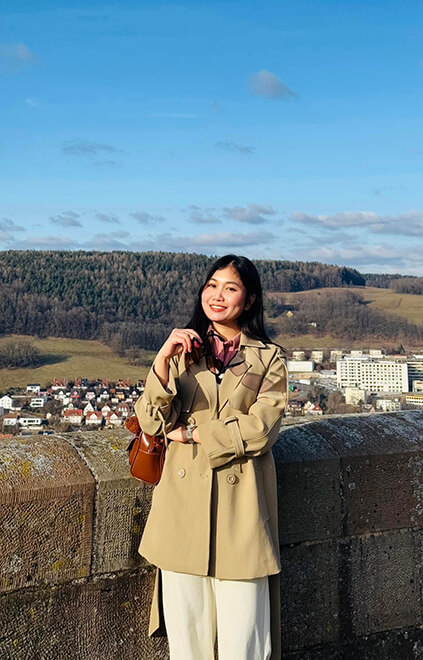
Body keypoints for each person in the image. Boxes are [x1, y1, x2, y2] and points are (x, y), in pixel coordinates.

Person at [134, 254, 288, 660]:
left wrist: (194, 433)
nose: (217, 296)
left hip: (242, 513)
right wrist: (162, 359)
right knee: (188, 646)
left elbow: (262, 430)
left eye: (230, 288)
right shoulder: (182, 350)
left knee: (246, 645)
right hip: (180, 512)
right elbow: (151, 422)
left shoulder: (268, 358)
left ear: (249, 299)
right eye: (212, 285)